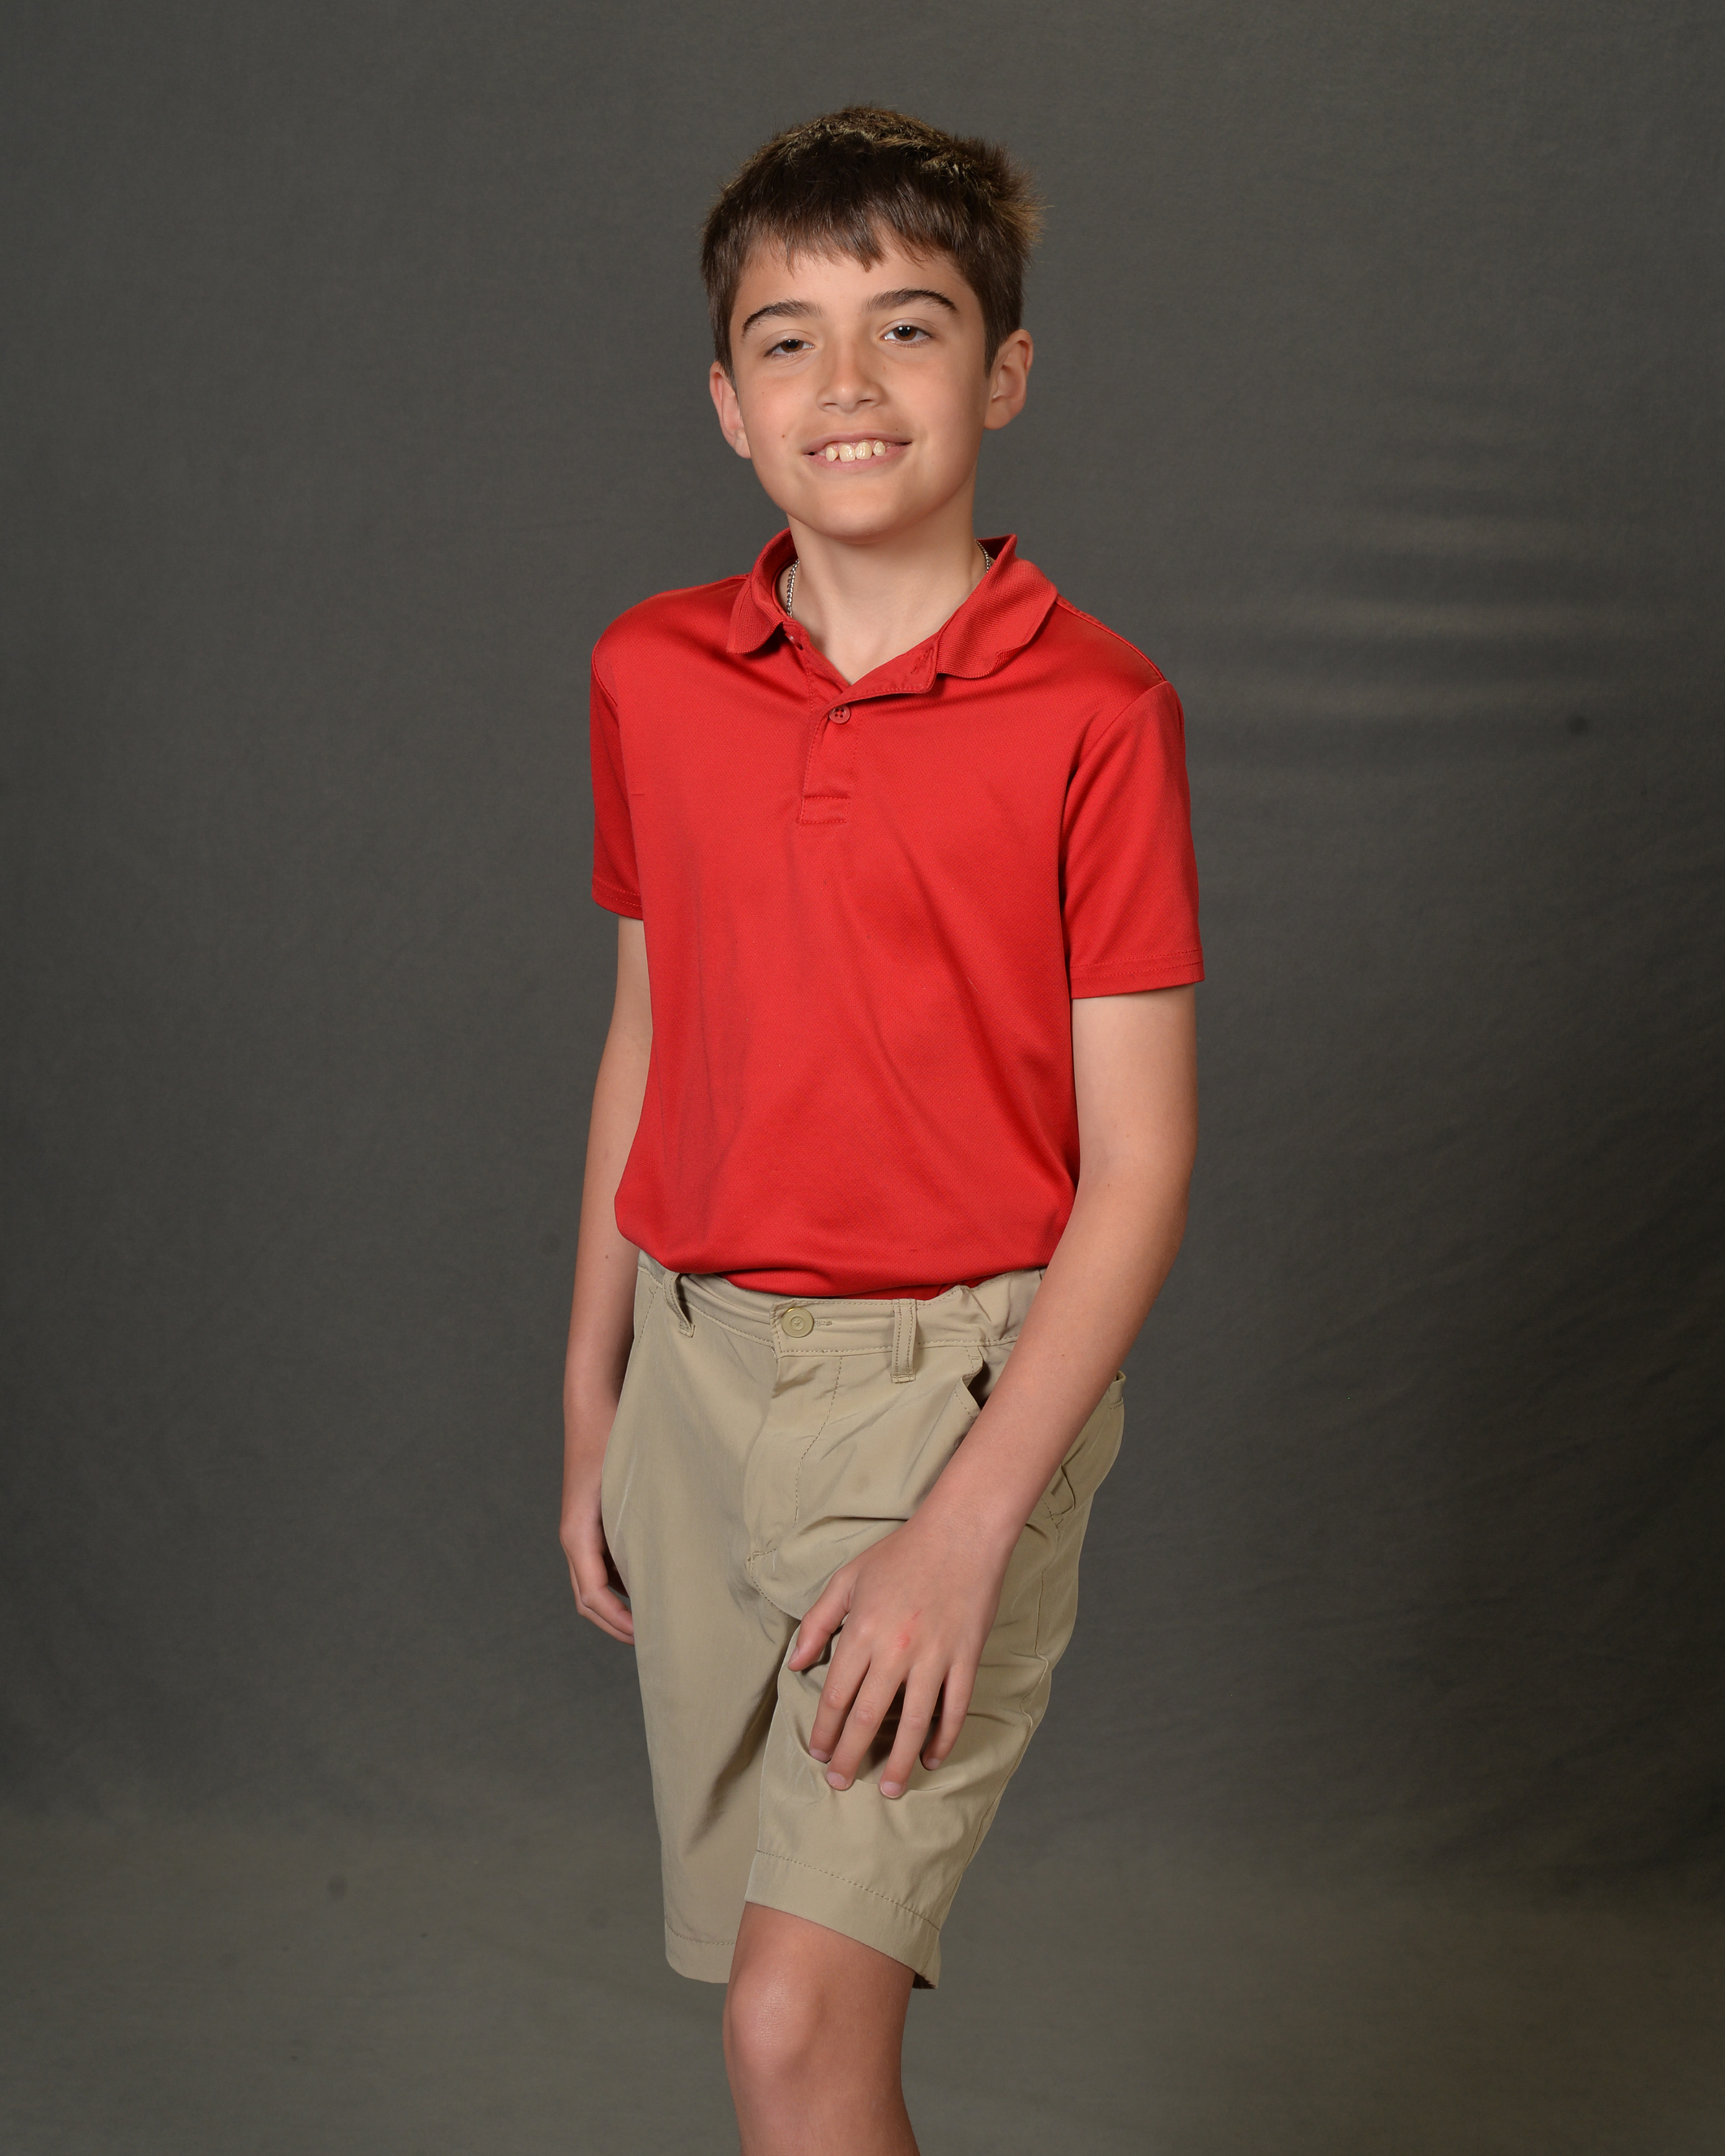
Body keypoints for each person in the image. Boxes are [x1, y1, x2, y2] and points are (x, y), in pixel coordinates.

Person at [560, 105, 1202, 2156]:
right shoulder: (652, 674)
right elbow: (650, 1028)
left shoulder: (1097, 714)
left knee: (792, 2027)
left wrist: (964, 1523)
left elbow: (1142, 1164)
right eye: (789, 340)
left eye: (908, 327)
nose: (846, 383)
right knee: (770, 2019)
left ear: (1002, 373)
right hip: (692, 1381)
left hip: (944, 1407)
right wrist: (589, 1395)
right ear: (727, 403)